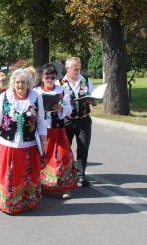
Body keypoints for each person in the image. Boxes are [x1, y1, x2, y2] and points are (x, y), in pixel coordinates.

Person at [0, 68, 47, 215]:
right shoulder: (4, 96)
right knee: (9, 174)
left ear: (28, 83)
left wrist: (44, 142)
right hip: (7, 143)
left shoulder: (36, 97)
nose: (20, 85)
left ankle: (26, 202)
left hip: (28, 143)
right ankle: (8, 203)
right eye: (17, 82)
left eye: (23, 82)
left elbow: (41, 122)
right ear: (13, 83)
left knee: (26, 174)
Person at [35, 63, 76, 199]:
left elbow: (69, 109)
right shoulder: (36, 92)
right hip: (41, 132)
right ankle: (42, 186)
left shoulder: (61, 90)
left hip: (57, 129)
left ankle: (66, 187)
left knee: (63, 157)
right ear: (42, 77)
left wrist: (61, 107)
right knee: (42, 158)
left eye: (52, 77)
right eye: (47, 77)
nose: (50, 80)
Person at [60, 57, 97, 187]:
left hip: (83, 119)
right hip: (67, 120)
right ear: (68, 69)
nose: (78, 71)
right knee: (65, 148)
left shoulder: (85, 80)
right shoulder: (60, 82)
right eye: (75, 68)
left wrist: (92, 100)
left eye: (79, 68)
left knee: (83, 147)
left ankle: (81, 175)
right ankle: (67, 174)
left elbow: (95, 100)